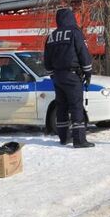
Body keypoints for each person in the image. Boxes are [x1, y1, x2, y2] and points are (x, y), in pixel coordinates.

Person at [44, 8, 94, 148]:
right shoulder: (74, 33)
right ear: (72, 18)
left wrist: (53, 75)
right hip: (72, 75)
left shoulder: (51, 36)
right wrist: (88, 72)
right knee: (76, 106)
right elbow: (83, 53)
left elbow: (46, 60)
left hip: (58, 77)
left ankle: (63, 138)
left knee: (62, 107)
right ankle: (79, 140)